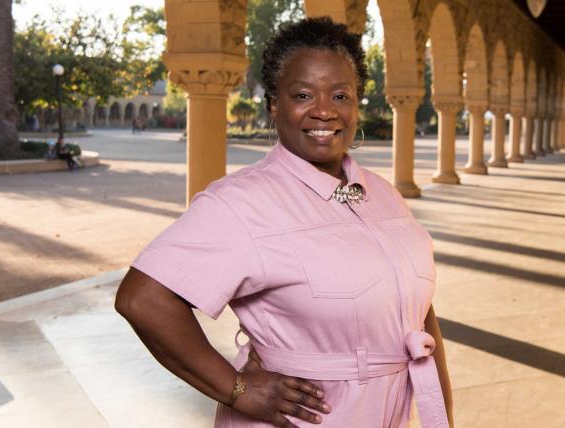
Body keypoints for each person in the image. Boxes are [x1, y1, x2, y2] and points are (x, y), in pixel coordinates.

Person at [115, 17, 453, 428]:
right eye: (304, 94)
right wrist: (238, 389)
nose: (325, 110)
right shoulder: (242, 202)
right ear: (274, 104)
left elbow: (418, 313)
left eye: (341, 94)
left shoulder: (383, 194)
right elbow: (142, 299)